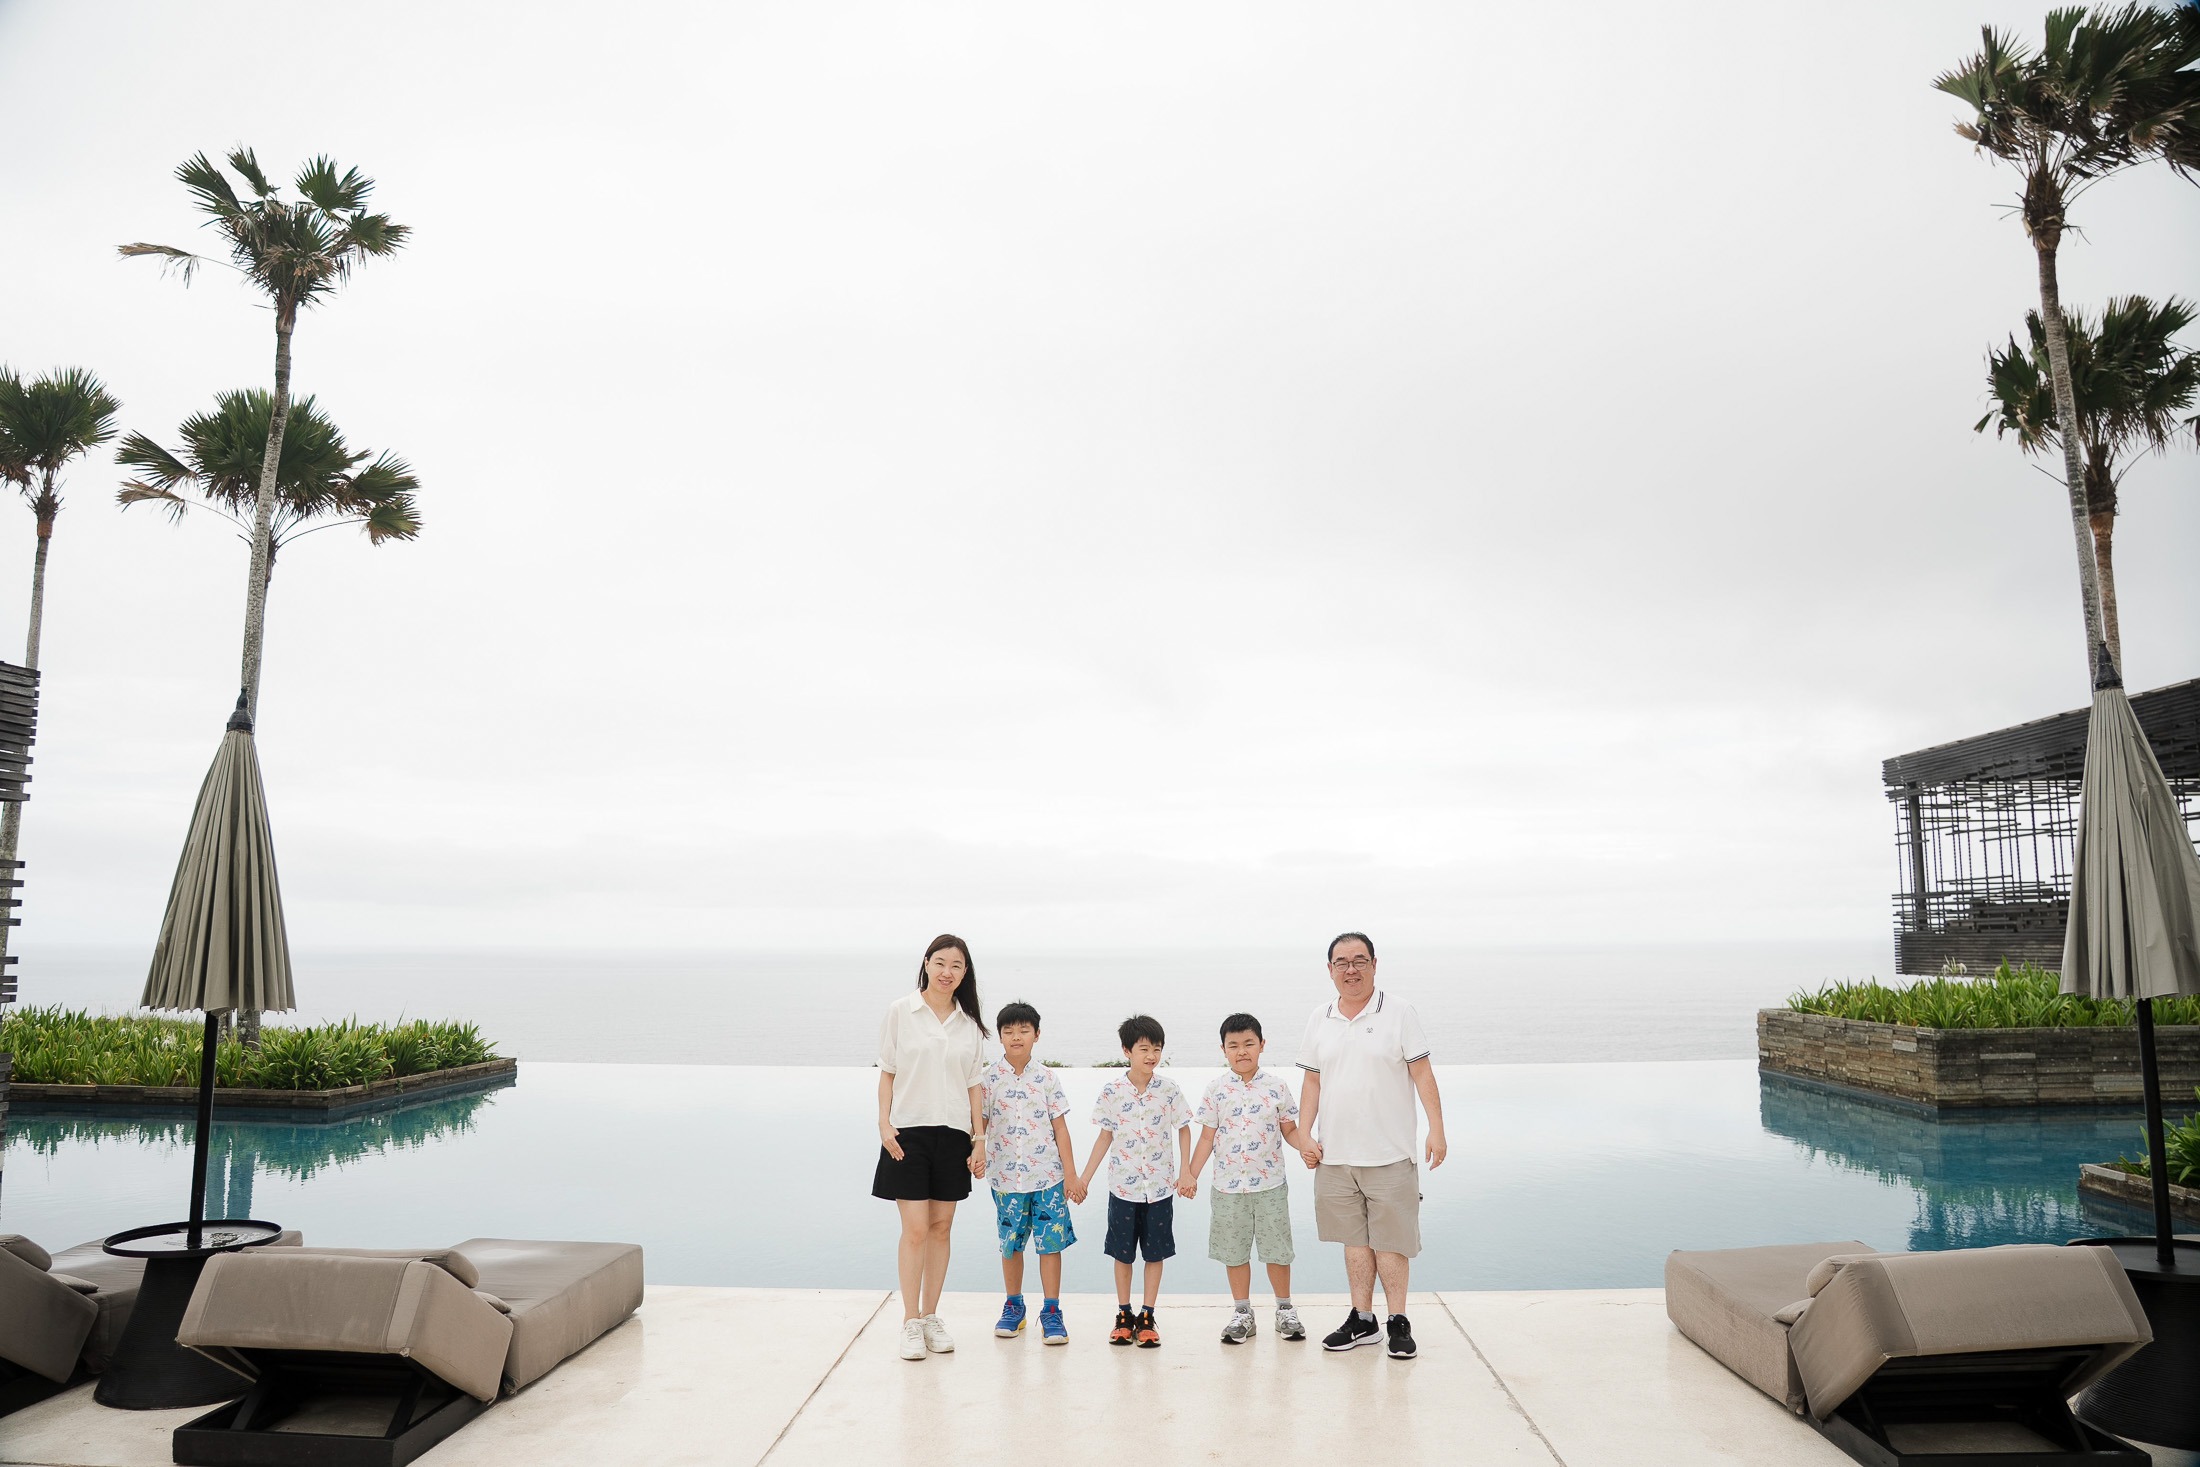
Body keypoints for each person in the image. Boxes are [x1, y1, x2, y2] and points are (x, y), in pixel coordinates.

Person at [1296, 931, 1447, 1360]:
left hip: (1389, 1154)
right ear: (1330, 970)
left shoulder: (1399, 1012)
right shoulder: (1319, 1017)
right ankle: (1363, 1319)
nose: (1351, 969)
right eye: (1341, 962)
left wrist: (1436, 1129)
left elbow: (1423, 1075)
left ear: (1375, 964)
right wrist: (1305, 1133)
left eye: (1359, 960)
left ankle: (1398, 1321)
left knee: (1392, 1243)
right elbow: (1312, 1080)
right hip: (1336, 1155)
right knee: (1354, 1242)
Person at [873, 934, 990, 1362]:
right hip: (909, 1134)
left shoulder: (969, 1025)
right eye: (940, 963)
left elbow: (974, 1086)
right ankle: (909, 1320)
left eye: (956, 966)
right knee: (916, 1230)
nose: (947, 972)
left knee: (942, 1228)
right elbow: (887, 1071)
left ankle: (930, 1316)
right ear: (926, 964)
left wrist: (979, 1141)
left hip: (955, 1135)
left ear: (965, 973)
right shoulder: (901, 1012)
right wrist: (884, 1124)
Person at [1179, 1012, 1306, 1343]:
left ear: (1262, 1045)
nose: (1242, 1051)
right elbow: (1207, 1137)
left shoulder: (1277, 1087)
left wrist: (1307, 1148)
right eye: (1233, 1045)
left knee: (1277, 1249)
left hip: (1270, 1186)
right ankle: (1242, 1312)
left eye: (1249, 1043)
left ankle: (1285, 1310)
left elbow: (1290, 1131)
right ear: (1223, 1050)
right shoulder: (1216, 1090)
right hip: (1227, 1188)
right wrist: (1190, 1174)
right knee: (1234, 1252)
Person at [1076, 1014, 1190, 1348]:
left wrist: (1185, 1172)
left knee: (1155, 1254)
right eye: (1144, 1048)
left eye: (1156, 1048)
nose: (1151, 1055)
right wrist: (1083, 1178)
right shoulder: (1112, 1091)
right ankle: (1124, 1314)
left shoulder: (1168, 1090)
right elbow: (1104, 1137)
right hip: (1123, 1189)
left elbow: (1184, 1128)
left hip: (1159, 1189)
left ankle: (1148, 1315)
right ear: (1127, 1050)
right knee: (1122, 1254)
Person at [981, 1000, 1083, 1345]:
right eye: (1008, 1031)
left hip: (1048, 1179)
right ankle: (1014, 1306)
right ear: (999, 1037)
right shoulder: (988, 1079)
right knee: (1011, 1246)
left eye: (1024, 1030)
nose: (1016, 1036)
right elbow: (979, 1123)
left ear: (1036, 1035)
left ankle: (1051, 1312)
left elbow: (1061, 1130)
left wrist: (1071, 1175)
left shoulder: (1047, 1078)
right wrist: (974, 1152)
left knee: (1049, 1245)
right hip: (1006, 1179)